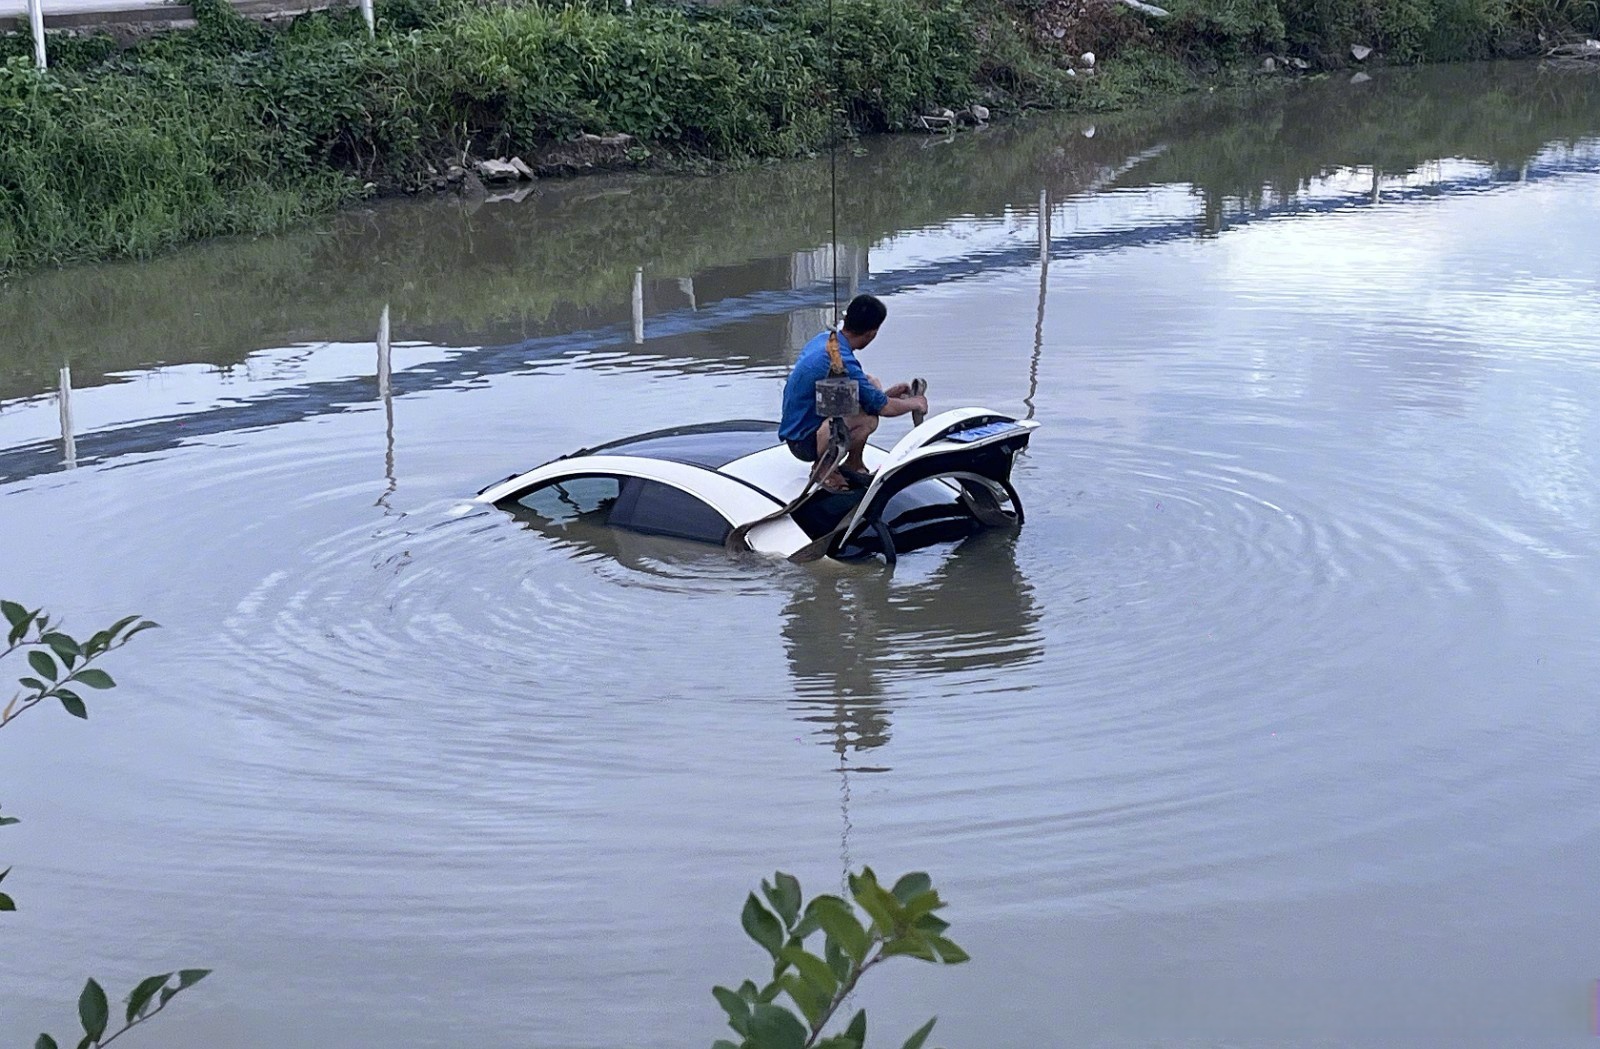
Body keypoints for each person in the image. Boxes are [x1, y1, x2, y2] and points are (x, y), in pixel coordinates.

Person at [779, 294, 929, 492]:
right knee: (869, 420)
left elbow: (864, 394)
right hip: (804, 441)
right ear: (871, 334)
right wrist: (916, 403)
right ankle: (824, 466)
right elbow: (883, 408)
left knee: (870, 382)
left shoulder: (827, 340)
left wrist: (888, 395)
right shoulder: (840, 360)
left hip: (802, 425)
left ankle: (853, 463)